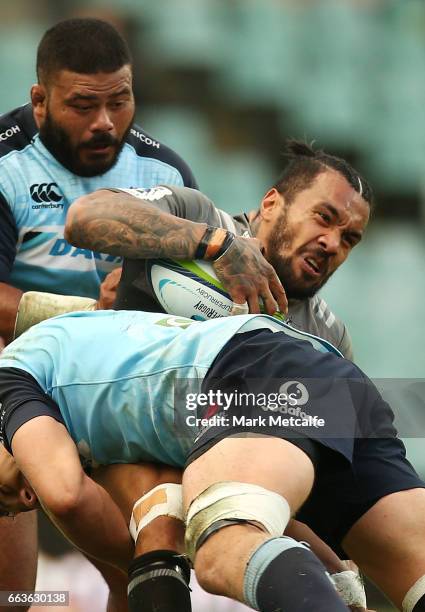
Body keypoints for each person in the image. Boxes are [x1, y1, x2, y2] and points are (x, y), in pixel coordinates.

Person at [0, 309, 424, 612]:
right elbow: (275, 517)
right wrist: (341, 586)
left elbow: (66, 495)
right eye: (14, 509)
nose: (25, 497)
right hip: (322, 379)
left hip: (248, 372)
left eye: (1, 493)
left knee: (222, 542)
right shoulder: (103, 424)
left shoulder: (10, 376)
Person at [0, 16, 198, 610]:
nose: (105, 121)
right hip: (14, 374)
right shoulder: (6, 165)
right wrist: (87, 310)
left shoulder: (164, 175)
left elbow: (190, 296)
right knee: (12, 593)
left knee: (136, 574)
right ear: (40, 100)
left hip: (114, 382)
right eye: (84, 105)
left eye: (120, 100)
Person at [64, 140, 373, 359]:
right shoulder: (195, 215)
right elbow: (84, 217)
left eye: (349, 239)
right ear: (271, 204)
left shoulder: (328, 339)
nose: (332, 244)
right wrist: (216, 245)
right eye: (323, 217)